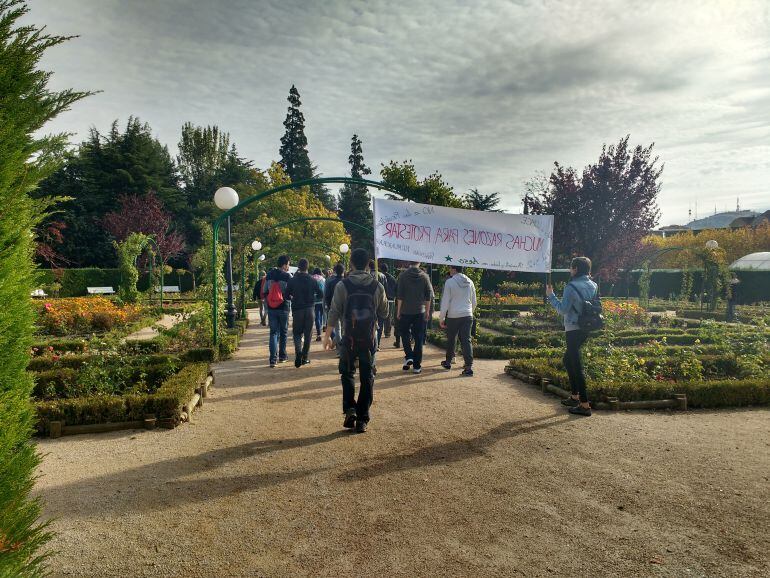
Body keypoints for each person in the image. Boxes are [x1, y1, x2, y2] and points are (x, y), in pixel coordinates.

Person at [324, 248, 388, 433]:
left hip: (349, 338)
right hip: (369, 339)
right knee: (367, 377)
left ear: (351, 263)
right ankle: (363, 418)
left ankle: (350, 409)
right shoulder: (377, 286)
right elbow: (384, 312)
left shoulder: (343, 286)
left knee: (347, 373)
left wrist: (328, 336)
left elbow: (334, 311)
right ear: (369, 264)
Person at [546, 256, 598, 417]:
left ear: (575, 268)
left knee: (576, 364)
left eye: (571, 267)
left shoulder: (571, 286)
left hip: (573, 328)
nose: (570, 270)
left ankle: (584, 405)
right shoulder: (593, 284)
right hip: (586, 327)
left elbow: (562, 309)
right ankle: (575, 396)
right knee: (568, 360)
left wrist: (551, 296)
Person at [396, 261, 434, 374]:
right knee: (418, 338)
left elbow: (400, 296)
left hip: (405, 311)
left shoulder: (402, 276)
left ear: (408, 262)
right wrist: (427, 311)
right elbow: (429, 296)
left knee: (404, 334)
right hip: (420, 311)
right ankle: (417, 366)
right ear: (419, 262)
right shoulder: (425, 276)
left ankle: (409, 356)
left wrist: (398, 311)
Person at [439, 265, 477, 376]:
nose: (449, 270)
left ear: (454, 269)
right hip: (467, 314)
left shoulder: (449, 282)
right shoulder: (470, 282)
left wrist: (442, 318)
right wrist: (470, 312)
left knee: (451, 339)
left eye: (450, 268)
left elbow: (445, 301)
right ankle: (468, 366)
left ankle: (448, 362)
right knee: (466, 340)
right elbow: (474, 301)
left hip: (453, 315)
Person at [285, 258, 323, 367]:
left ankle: (298, 353)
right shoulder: (312, 280)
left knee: (297, 333)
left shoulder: (293, 280)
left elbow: (286, 296)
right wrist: (313, 297)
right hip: (310, 309)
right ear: (307, 267)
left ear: (298, 266)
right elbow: (320, 294)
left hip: (297, 309)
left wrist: (293, 297)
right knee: (308, 334)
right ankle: (305, 357)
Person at [262, 255, 292, 368]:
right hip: (284, 307)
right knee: (284, 332)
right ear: (284, 265)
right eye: (288, 264)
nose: (288, 266)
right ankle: (282, 356)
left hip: (272, 308)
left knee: (273, 333)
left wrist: (269, 301)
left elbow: (264, 291)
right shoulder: (287, 276)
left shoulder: (269, 275)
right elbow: (290, 293)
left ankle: (272, 360)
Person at [324, 263, 345, 354]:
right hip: (345, 308)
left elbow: (327, 296)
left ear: (335, 271)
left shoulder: (331, 282)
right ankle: (343, 347)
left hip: (334, 307)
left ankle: (339, 349)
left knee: (338, 329)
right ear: (343, 271)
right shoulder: (346, 282)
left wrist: (329, 307)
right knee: (344, 329)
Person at [379, 262, 398, 340]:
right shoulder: (392, 278)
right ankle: (387, 332)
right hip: (390, 300)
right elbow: (396, 289)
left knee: (380, 316)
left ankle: (379, 331)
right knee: (388, 317)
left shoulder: (380, 277)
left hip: (382, 299)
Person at [311, 267, 326, 341]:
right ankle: (324, 327)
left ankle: (318, 333)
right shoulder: (323, 279)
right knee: (324, 316)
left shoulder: (312, 279)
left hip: (314, 301)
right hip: (323, 300)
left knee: (317, 317)